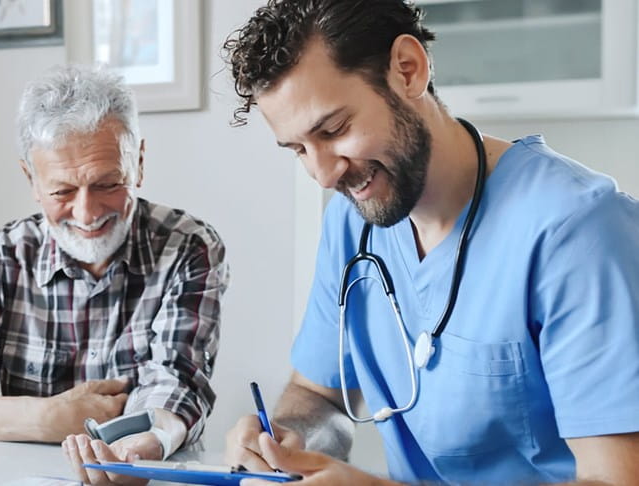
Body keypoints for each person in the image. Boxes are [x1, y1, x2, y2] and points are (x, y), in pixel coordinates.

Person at [220, 0, 639, 484]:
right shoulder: (351, 223)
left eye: (333, 130)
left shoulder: (579, 231)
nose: (322, 173)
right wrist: (287, 442)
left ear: (408, 70)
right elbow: (319, 396)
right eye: (298, 149)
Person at [0, 65, 230, 482]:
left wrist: (145, 444)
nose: (87, 213)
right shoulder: (3, 258)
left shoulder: (188, 247)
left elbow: (179, 381)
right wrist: (47, 416)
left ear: (137, 162)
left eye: (108, 184)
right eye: (63, 191)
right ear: (31, 179)